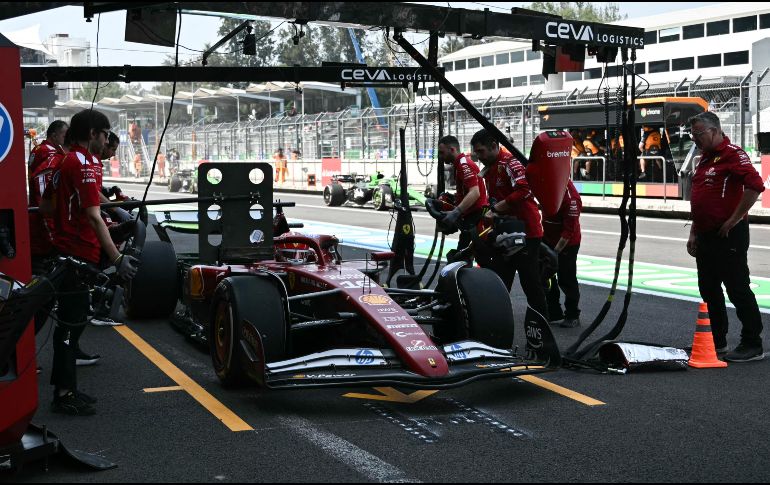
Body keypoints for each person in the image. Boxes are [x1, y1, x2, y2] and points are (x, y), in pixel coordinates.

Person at [40, 109, 140, 415]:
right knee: (71, 323)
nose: (108, 140)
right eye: (106, 134)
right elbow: (94, 217)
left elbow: (46, 206)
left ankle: (65, 387)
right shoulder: (84, 163)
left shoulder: (63, 160)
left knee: (69, 323)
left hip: (64, 251)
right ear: (94, 133)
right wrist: (117, 257)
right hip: (78, 255)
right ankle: (64, 395)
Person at [686, 111, 766, 363]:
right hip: (705, 234)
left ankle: (752, 343)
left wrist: (734, 219)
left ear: (714, 130)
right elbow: (701, 199)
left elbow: (755, 185)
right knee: (708, 288)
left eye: (698, 134)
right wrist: (693, 232)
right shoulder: (704, 158)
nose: (694, 139)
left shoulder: (733, 154)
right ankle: (716, 340)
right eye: (692, 135)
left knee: (737, 288)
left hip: (728, 234)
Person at [471, 129, 549, 321]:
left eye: (481, 151)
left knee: (531, 283)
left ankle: (541, 327)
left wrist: (497, 208)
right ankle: (496, 325)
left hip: (526, 233)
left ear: (493, 146)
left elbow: (525, 190)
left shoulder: (510, 162)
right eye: (476, 152)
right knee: (499, 281)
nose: (478, 157)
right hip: (505, 233)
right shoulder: (491, 166)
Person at [28, 120, 68, 335]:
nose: (66, 139)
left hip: (39, 226)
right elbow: (45, 201)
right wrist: (54, 237)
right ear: (54, 135)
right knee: (41, 288)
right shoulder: (49, 155)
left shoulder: (39, 150)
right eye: (64, 135)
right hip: (41, 231)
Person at [436, 135, 488, 257]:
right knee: (463, 256)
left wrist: (455, 212)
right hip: (470, 216)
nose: (440, 156)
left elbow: (475, 193)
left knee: (461, 257)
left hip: (475, 217)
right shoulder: (459, 164)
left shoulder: (464, 165)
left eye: (442, 152)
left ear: (452, 150)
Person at [543, 179, 582, 328]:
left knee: (566, 279)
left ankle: (572, 315)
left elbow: (568, 233)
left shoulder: (571, 199)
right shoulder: (547, 186)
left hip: (567, 244)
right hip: (548, 238)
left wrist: (554, 253)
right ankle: (553, 311)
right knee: (545, 275)